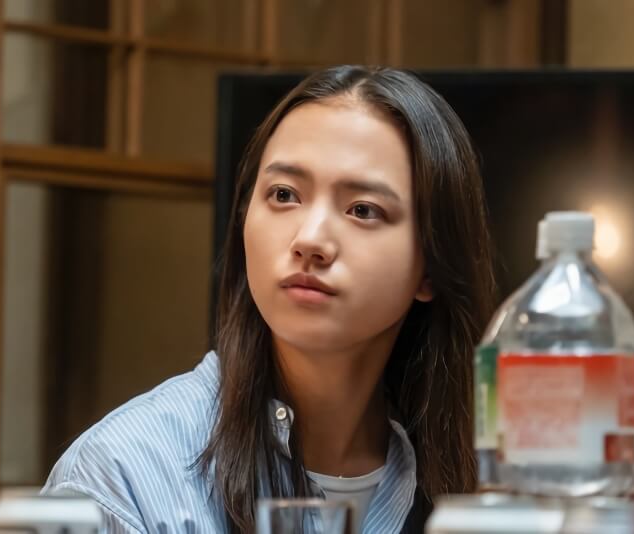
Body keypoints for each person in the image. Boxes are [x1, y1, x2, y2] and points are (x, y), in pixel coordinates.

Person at [42, 65, 496, 533]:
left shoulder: (482, 479)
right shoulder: (122, 476)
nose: (310, 239)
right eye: (284, 194)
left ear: (432, 264)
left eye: (362, 209)